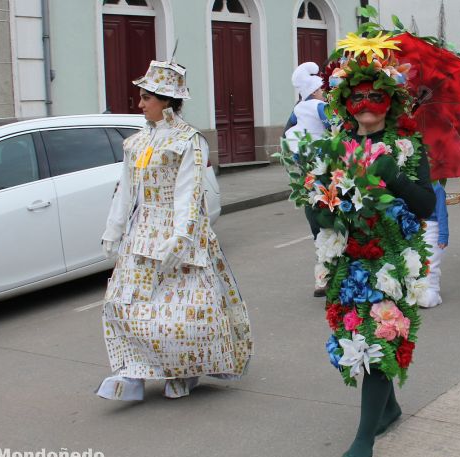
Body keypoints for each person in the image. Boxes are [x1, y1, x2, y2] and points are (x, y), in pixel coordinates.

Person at [296, 32, 436, 457]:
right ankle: (388, 409)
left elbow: (428, 205)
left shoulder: (407, 147)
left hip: (391, 259)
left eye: (377, 95)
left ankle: (364, 440)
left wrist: (396, 178)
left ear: (391, 101)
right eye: (359, 96)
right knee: (356, 339)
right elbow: (318, 204)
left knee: (378, 337)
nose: (368, 103)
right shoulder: (333, 149)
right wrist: (323, 215)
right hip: (347, 259)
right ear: (344, 103)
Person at [96, 60, 253, 401]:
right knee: (125, 303)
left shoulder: (189, 142)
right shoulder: (135, 143)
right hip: (141, 234)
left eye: (145, 98)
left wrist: (181, 237)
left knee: (181, 313)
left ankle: (184, 371)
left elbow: (189, 191)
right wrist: (114, 228)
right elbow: (126, 189)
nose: (140, 105)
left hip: (179, 238)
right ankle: (133, 373)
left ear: (165, 100)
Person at [283, 61, 331, 296]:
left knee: (316, 224)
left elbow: (287, 132)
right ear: (314, 89)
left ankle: (322, 279)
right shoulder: (320, 106)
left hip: (306, 173)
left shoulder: (298, 109)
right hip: (326, 168)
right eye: (321, 88)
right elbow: (334, 127)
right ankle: (334, 275)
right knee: (333, 222)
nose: (323, 92)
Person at [418, 180, 449, 308]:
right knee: (419, 262)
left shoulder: (437, 188)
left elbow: (442, 214)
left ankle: (433, 293)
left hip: (433, 228)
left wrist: (443, 235)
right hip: (417, 227)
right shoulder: (414, 184)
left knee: (431, 262)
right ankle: (422, 290)